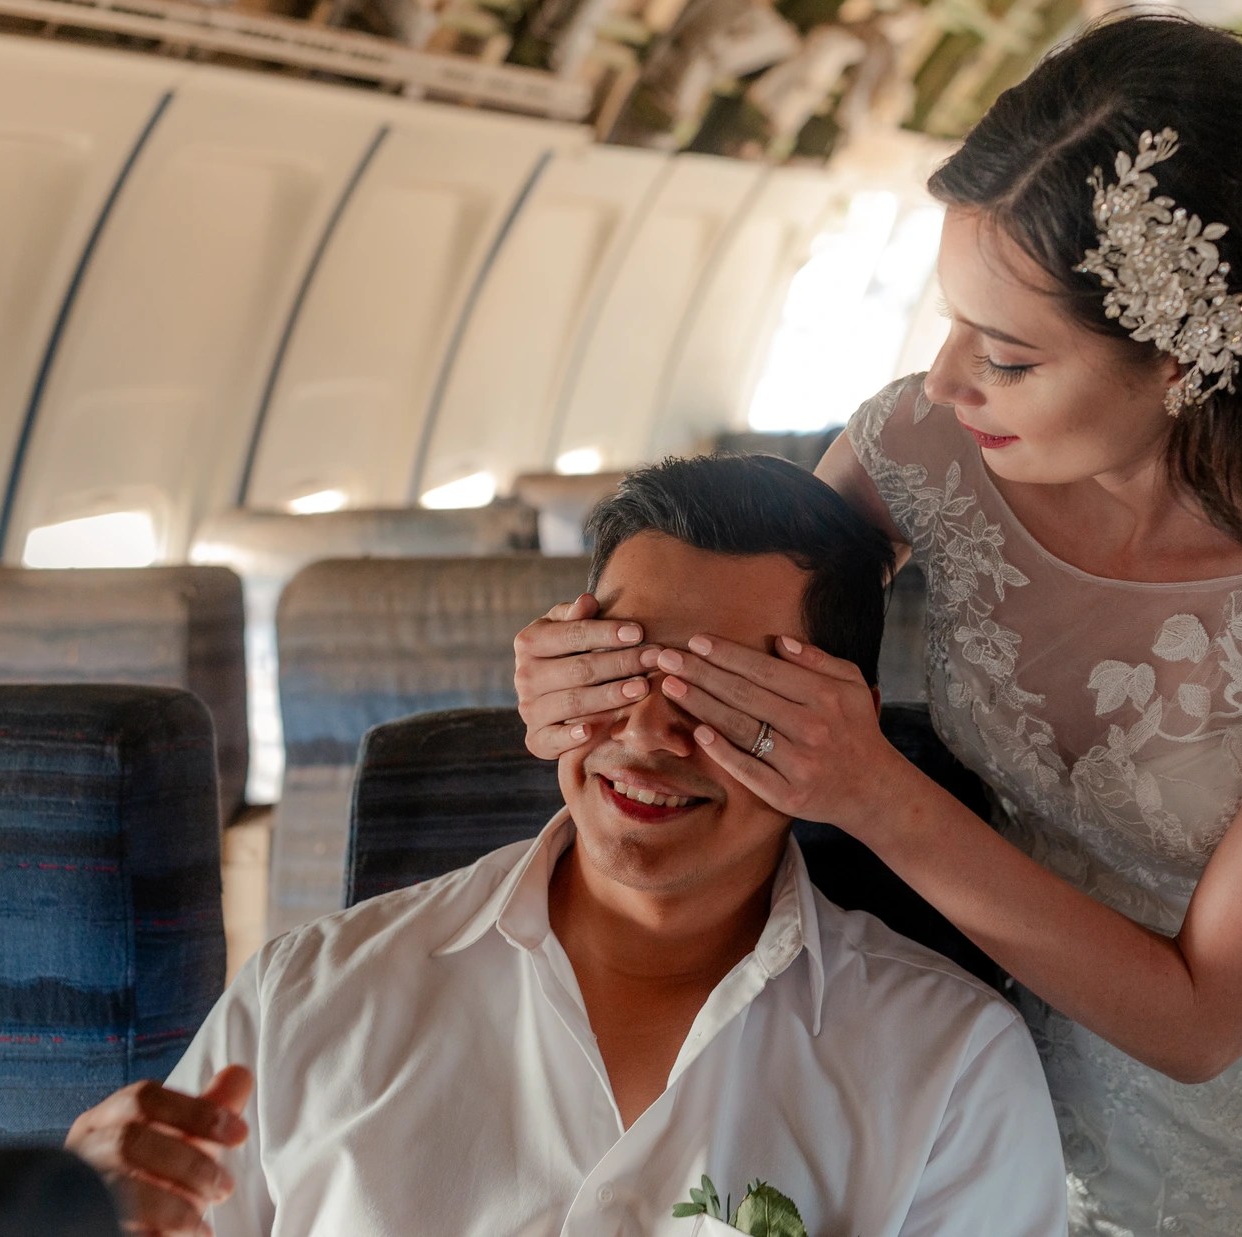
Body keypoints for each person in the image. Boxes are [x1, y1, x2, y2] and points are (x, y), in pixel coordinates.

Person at [512, 16, 1242, 1237]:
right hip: (970, 1089)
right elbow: (744, 608)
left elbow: (1201, 1018)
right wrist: (591, 670)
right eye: (948, 320)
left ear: (1186, 361)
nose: (941, 382)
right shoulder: (928, 448)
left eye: (1009, 355)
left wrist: (877, 794)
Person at [66, 454, 1068, 1237]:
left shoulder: (948, 1066)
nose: (647, 731)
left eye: (724, 691)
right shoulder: (305, 1000)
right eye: (617, 665)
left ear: (831, 725)